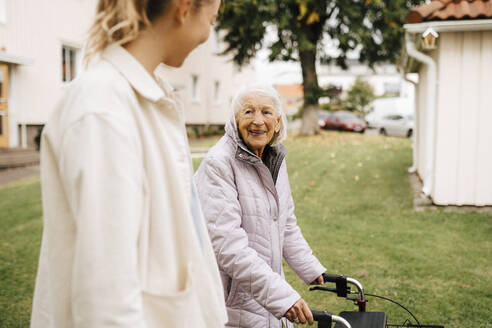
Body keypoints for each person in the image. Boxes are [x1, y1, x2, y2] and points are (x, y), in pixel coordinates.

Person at [30, 0, 227, 327]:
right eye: (212, 18)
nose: (209, 33)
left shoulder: (150, 99)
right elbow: (107, 299)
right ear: (183, 8)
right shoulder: (104, 111)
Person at [195, 84, 326, 328]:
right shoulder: (218, 164)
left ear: (278, 121)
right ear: (235, 119)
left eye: (266, 112)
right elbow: (227, 247)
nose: (257, 121)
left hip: (266, 292)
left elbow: (285, 222)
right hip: (232, 301)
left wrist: (311, 269)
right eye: (248, 112)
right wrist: (283, 298)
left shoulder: (272, 157)